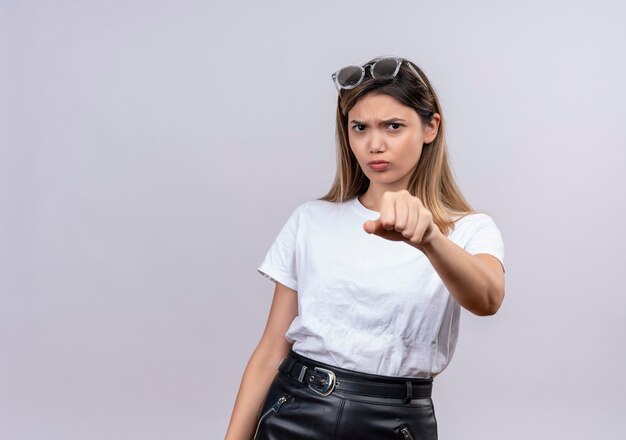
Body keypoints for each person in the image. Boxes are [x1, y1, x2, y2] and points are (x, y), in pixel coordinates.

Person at [225, 55, 506, 440]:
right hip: (295, 409)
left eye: (393, 126)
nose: (375, 144)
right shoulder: (311, 220)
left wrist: (430, 240)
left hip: (395, 424)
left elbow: (488, 299)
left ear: (430, 127)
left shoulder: (469, 229)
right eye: (360, 127)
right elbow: (271, 349)